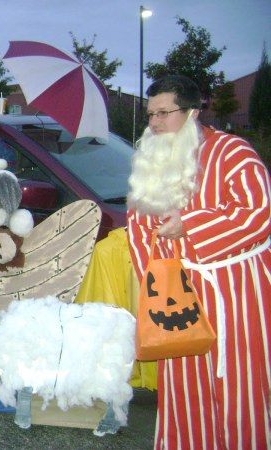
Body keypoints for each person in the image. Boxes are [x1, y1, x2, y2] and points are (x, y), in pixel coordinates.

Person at [126, 74, 270, 449]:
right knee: (186, 388)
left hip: (236, 293)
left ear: (191, 111)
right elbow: (138, 226)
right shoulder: (150, 161)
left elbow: (256, 213)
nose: (155, 123)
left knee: (242, 386)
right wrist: (154, 283)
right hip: (178, 293)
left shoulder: (234, 153)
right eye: (151, 114)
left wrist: (190, 226)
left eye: (163, 113)